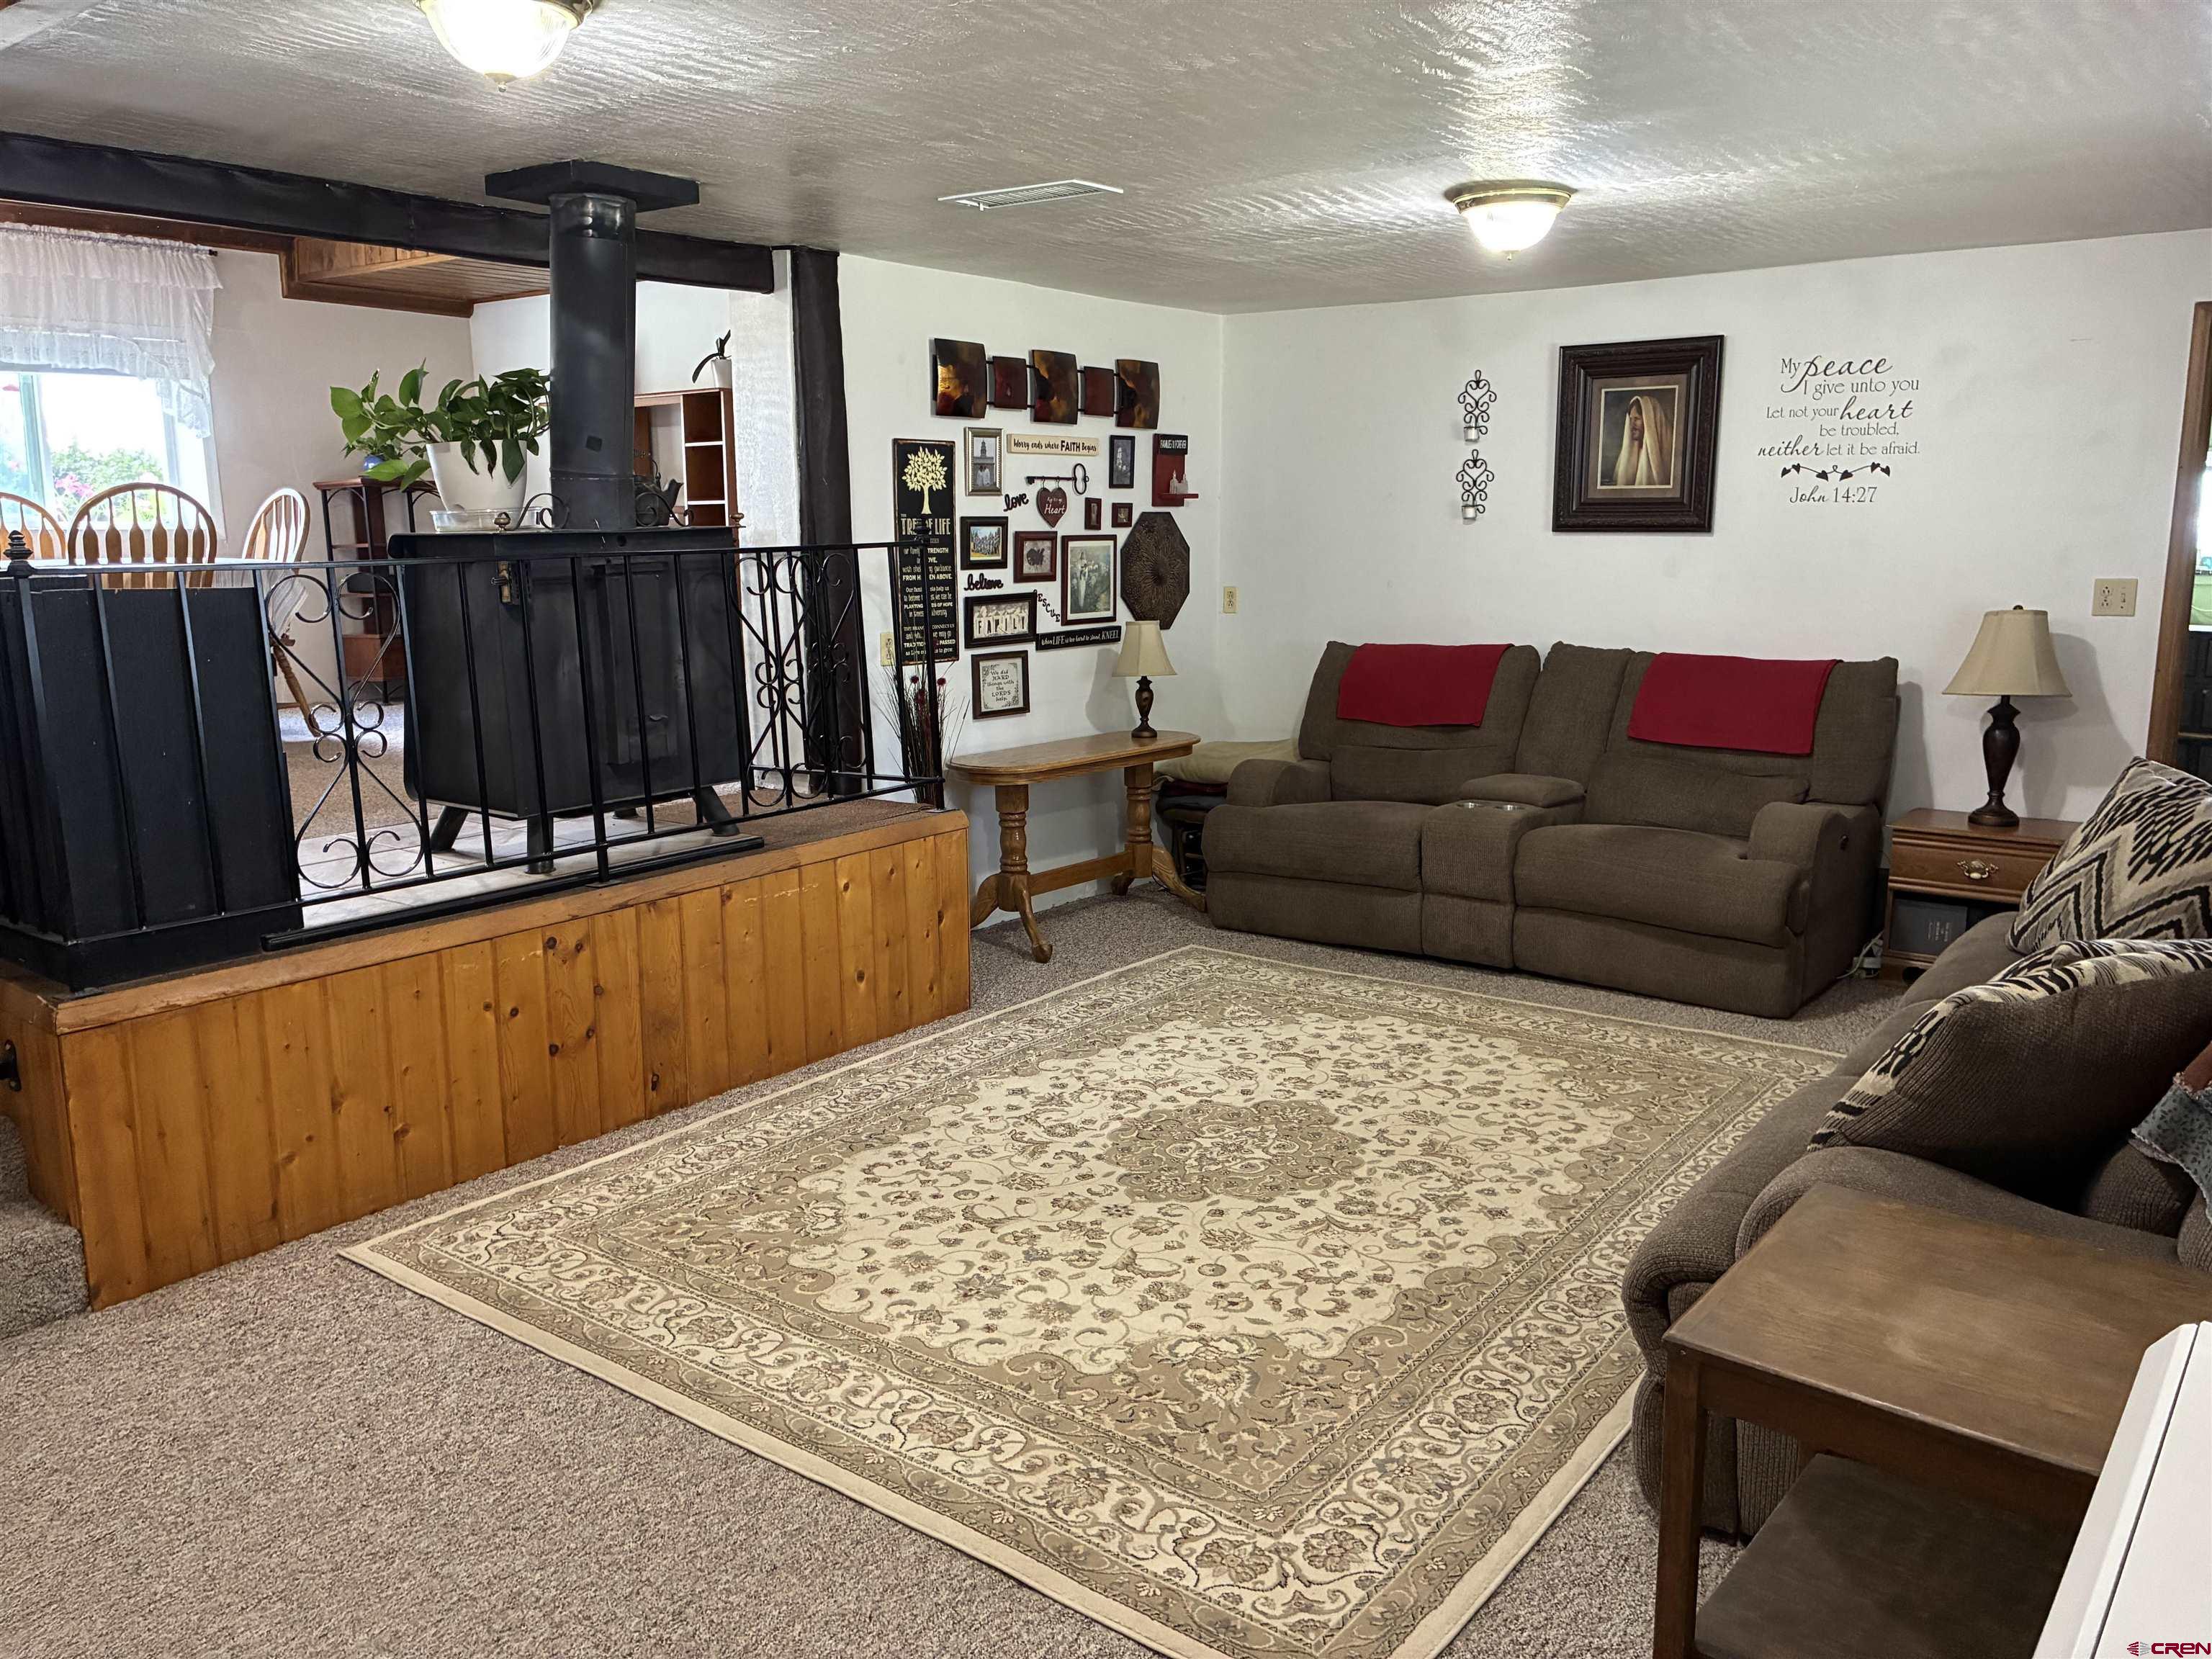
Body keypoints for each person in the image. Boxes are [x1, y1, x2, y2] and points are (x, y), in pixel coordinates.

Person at [1611, 392, 1673, 487]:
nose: (1631, 426)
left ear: (1650, 421)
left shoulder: (1670, 457)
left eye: (1637, 419)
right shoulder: (1627, 457)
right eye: (1631, 419)